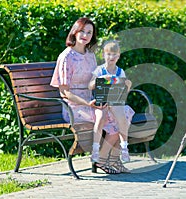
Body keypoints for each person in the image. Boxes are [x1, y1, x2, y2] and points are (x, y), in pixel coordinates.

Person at [50, 17, 120, 174]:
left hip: (91, 102)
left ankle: (103, 159)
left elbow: (93, 83)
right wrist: (87, 104)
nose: (85, 35)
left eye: (89, 32)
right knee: (108, 116)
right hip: (73, 107)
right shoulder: (66, 57)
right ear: (74, 32)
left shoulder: (90, 55)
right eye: (82, 31)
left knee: (121, 113)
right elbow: (64, 92)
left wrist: (106, 82)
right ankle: (100, 159)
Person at [88, 40, 135, 172]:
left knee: (123, 117)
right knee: (101, 117)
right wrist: (100, 80)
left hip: (115, 103)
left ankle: (124, 147)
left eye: (114, 55)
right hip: (101, 103)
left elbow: (123, 93)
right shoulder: (100, 70)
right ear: (104, 55)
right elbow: (90, 86)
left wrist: (128, 86)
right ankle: (96, 149)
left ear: (118, 56)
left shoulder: (120, 72)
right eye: (108, 54)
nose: (111, 57)